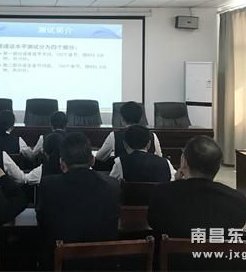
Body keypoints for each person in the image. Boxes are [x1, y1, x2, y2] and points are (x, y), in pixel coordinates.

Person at [36, 133, 120, 265]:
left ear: (62, 163)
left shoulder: (48, 185)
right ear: (92, 160)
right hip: (102, 263)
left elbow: (42, 221)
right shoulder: (112, 185)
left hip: (62, 262)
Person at [147, 136, 246, 238]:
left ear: (184, 162)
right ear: (218, 167)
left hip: (172, 249)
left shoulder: (161, 194)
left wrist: (174, 184)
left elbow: (154, 223)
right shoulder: (237, 201)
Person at [96, 101, 163, 162]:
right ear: (140, 118)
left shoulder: (114, 136)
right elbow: (160, 158)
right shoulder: (152, 135)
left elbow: (99, 157)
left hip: (122, 171)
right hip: (148, 171)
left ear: (122, 119)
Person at [109, 124, 175, 182]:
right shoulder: (165, 162)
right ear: (149, 144)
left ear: (125, 144)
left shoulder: (120, 163)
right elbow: (173, 181)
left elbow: (110, 184)